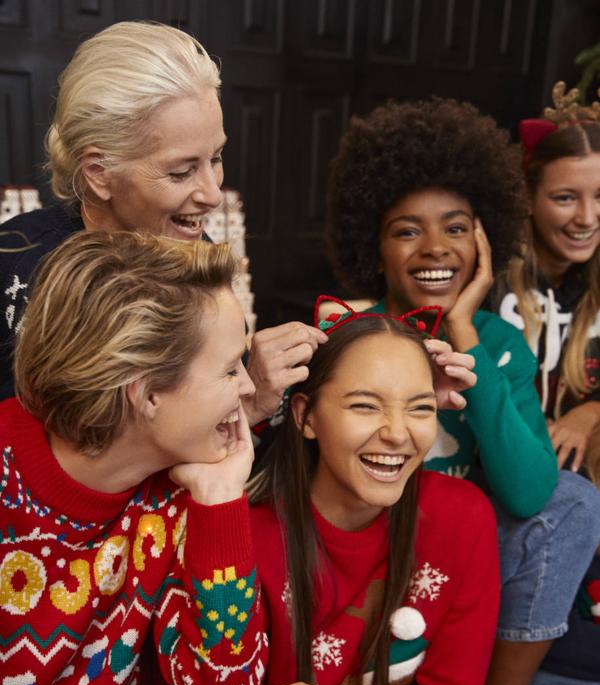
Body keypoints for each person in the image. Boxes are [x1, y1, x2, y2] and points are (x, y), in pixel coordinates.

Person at [0, 230, 339, 685]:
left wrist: (219, 501)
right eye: (230, 368)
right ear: (146, 393)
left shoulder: (178, 493)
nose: (250, 387)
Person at [250, 306, 600, 685]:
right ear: (306, 417)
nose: (397, 433)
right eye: (365, 406)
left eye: (417, 407)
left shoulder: (458, 513)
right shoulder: (249, 539)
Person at [0, 20, 476, 423]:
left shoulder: (201, 259)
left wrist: (399, 393)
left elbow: (229, 443)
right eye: (182, 171)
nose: (211, 194)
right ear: (99, 174)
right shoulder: (17, 269)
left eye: (217, 157)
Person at [324, 96, 600, 685]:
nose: (434, 248)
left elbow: (534, 492)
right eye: (406, 231)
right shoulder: (349, 334)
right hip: (368, 551)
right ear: (375, 245)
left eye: (455, 227)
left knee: (572, 499)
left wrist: (468, 338)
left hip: (462, 555)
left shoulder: (500, 343)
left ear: (485, 237)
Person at [491, 85, 600, 685]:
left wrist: (594, 407)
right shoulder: (491, 286)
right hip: (512, 517)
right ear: (529, 197)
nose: (588, 218)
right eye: (566, 198)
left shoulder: (595, 289)